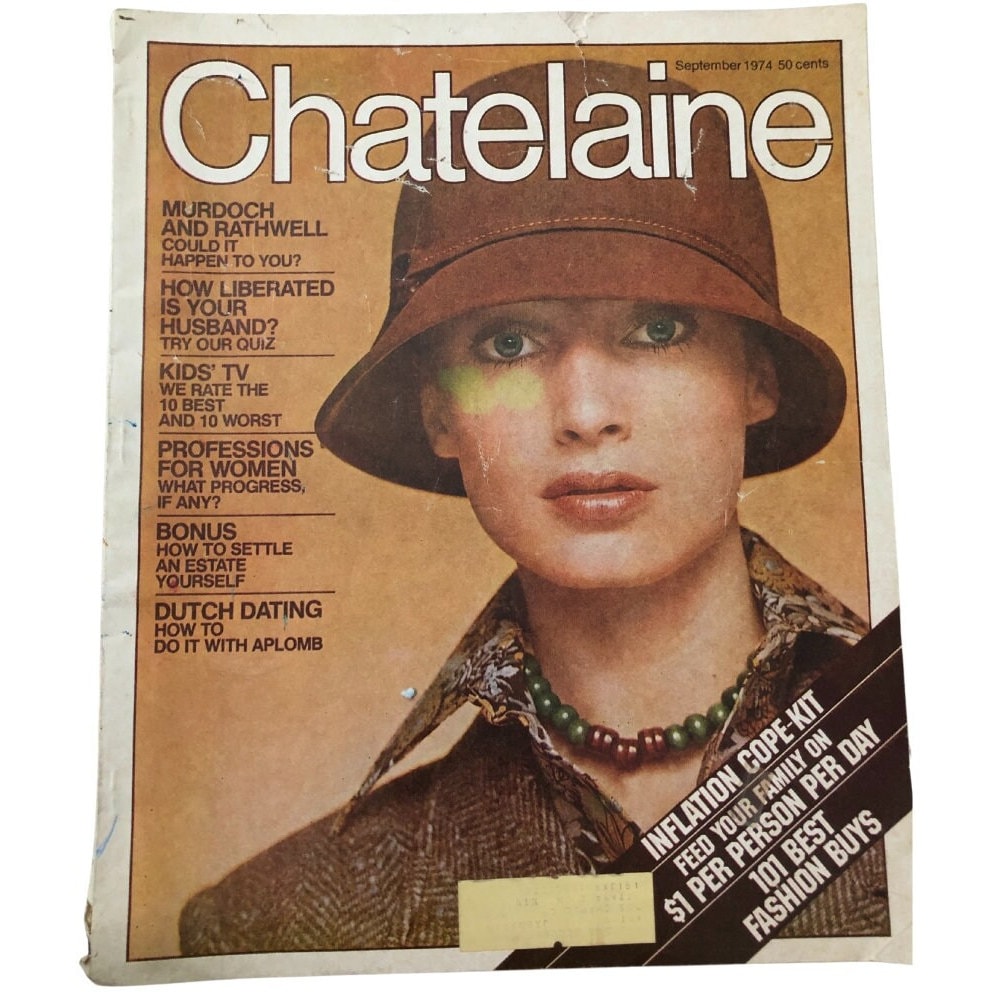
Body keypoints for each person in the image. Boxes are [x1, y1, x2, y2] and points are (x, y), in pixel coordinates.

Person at [180, 59, 888, 956]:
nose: (585, 414)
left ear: (757, 379)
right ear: (439, 413)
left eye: (658, 329)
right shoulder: (269, 922)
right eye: (509, 343)